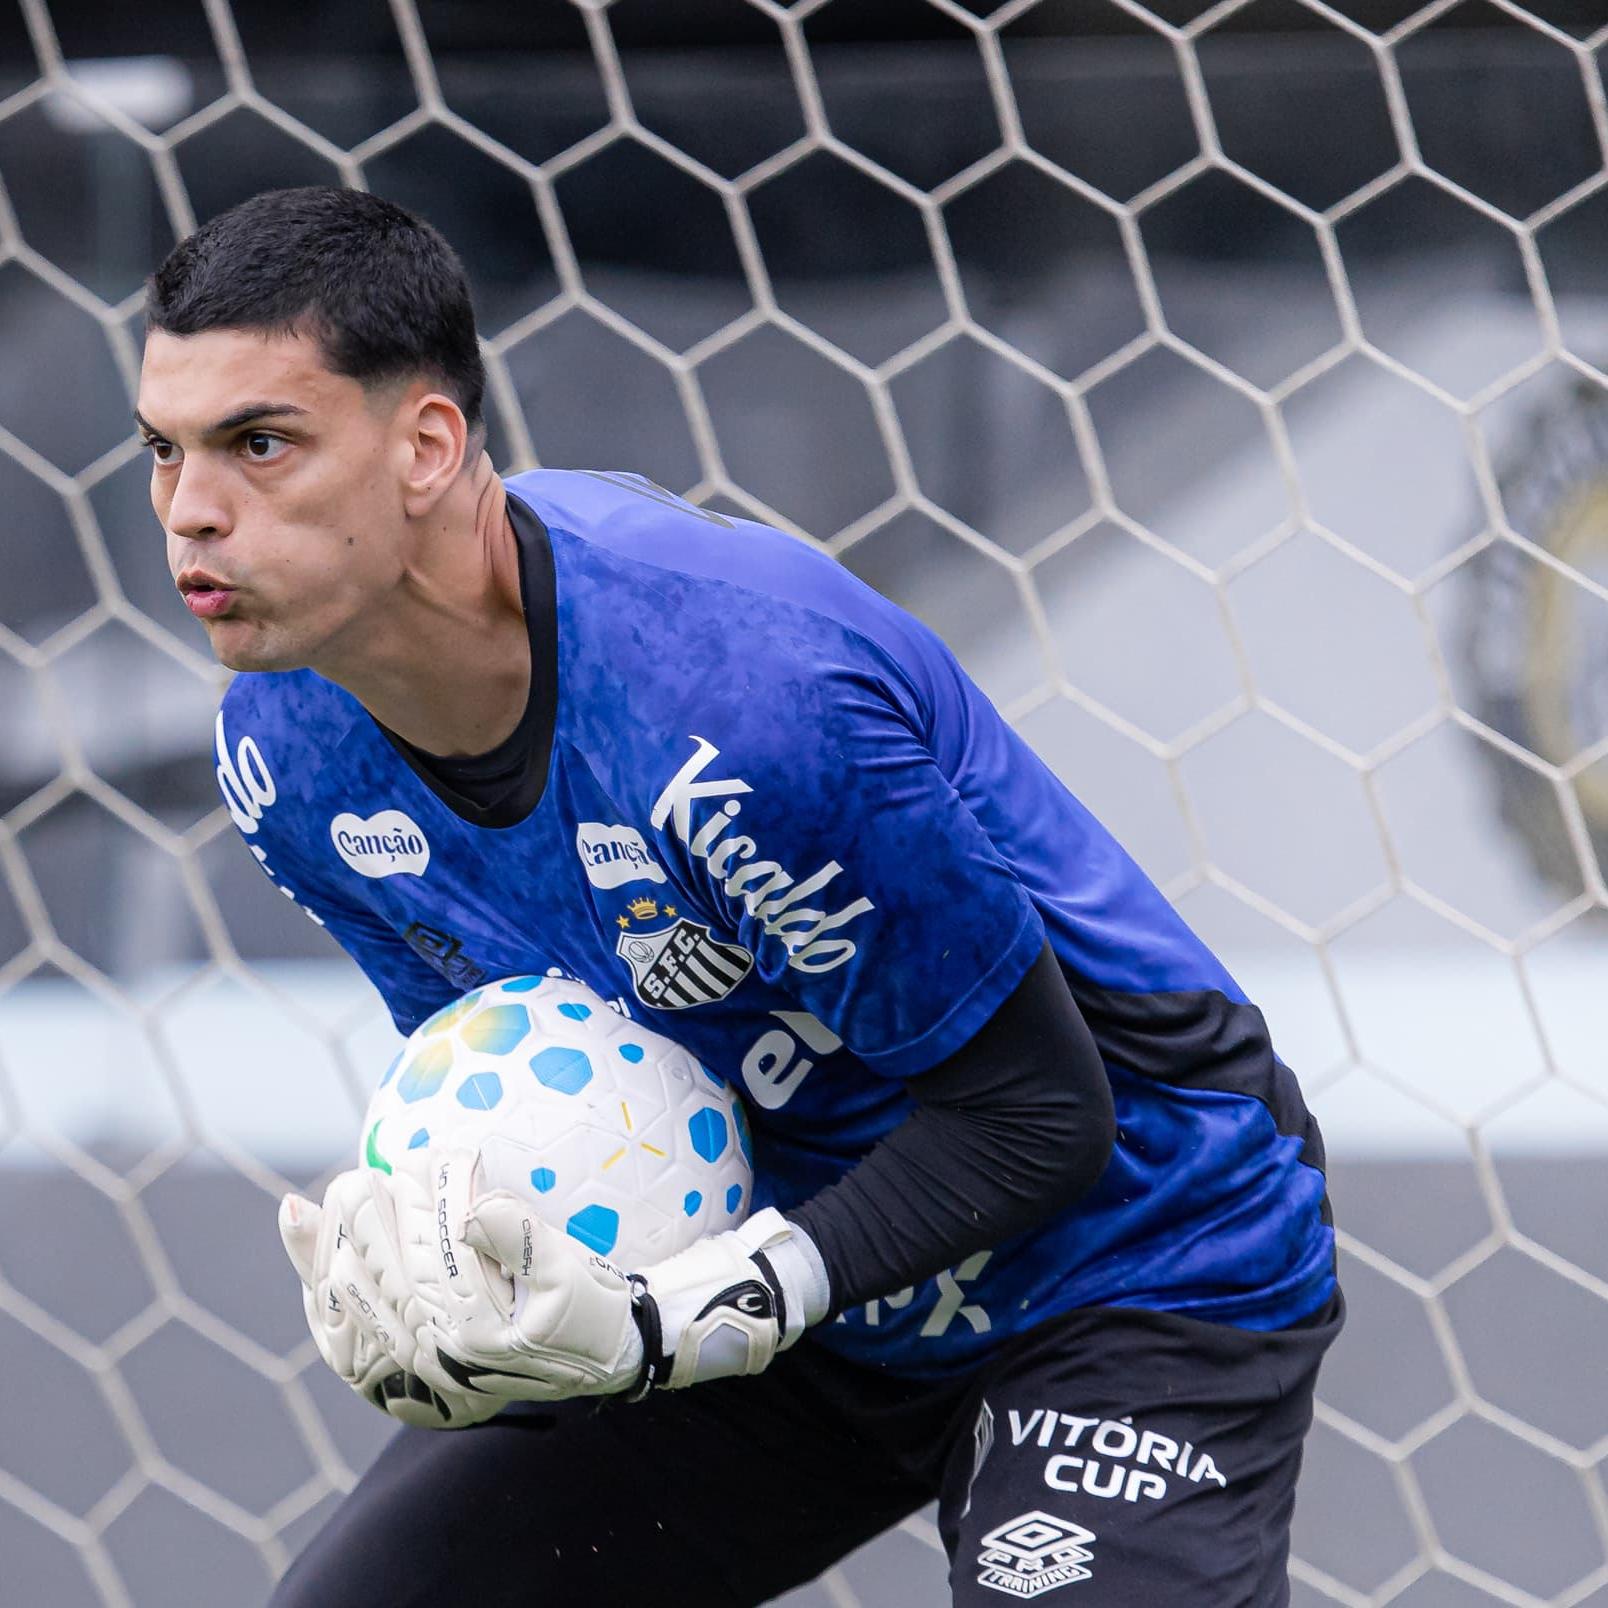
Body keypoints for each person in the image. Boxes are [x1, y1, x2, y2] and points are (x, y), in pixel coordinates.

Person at [140, 186, 1340, 1607]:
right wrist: (462, 1281)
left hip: (1120, 1268)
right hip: (767, 1292)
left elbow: (1039, 1117)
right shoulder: (284, 755)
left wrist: (723, 1303)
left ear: (426, 446)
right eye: (160, 450)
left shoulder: (737, 700)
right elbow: (558, 1065)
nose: (189, 512)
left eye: (258, 445)